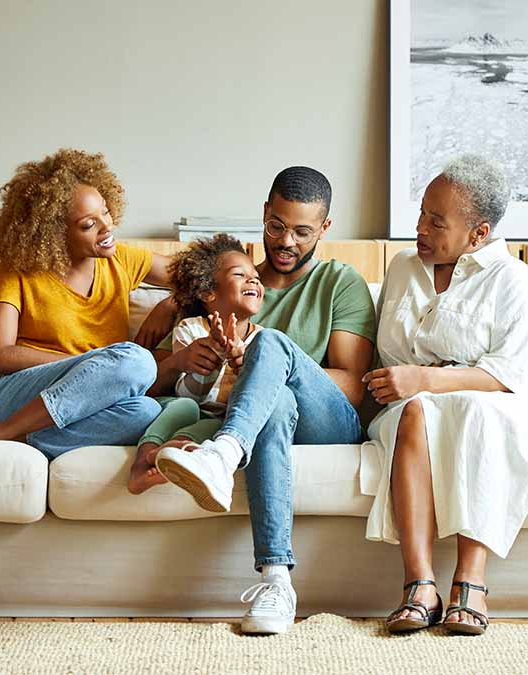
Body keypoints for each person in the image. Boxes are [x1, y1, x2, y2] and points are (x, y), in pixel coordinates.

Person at [138, 166, 377, 635]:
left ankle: (223, 454)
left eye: (303, 232)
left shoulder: (339, 282)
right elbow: (158, 384)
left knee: (270, 347)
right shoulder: (229, 284)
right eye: (277, 226)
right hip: (271, 421)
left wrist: (261, 369)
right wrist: (173, 301)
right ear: (264, 214)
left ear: (325, 229)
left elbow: (351, 383)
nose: (287, 241)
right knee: (275, 406)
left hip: (328, 423)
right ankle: (276, 581)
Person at [366, 155, 528, 635]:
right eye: (421, 214)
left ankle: (470, 582)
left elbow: (512, 374)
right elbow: (390, 359)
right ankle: (419, 583)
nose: (420, 228)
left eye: (437, 221)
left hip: (496, 406)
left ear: (479, 233)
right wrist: (417, 383)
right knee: (415, 412)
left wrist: (428, 378)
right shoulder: (402, 268)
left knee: (477, 412)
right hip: (412, 406)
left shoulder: (510, 279)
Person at [0, 149, 173, 458]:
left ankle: (26, 438)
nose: (107, 227)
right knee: (138, 362)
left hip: (87, 403)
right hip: (19, 395)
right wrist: (88, 364)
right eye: (88, 225)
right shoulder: (20, 270)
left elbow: (199, 278)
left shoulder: (123, 259)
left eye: (106, 213)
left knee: (148, 412)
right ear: (55, 234)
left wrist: (171, 303)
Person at [127, 234, 264, 494]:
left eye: (255, 275)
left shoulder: (262, 343)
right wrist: (213, 355)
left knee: (216, 426)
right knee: (185, 407)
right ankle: (141, 463)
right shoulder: (190, 330)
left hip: (219, 416)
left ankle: (171, 453)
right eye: (240, 275)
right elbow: (190, 393)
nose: (253, 279)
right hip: (184, 403)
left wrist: (240, 364)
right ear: (207, 292)